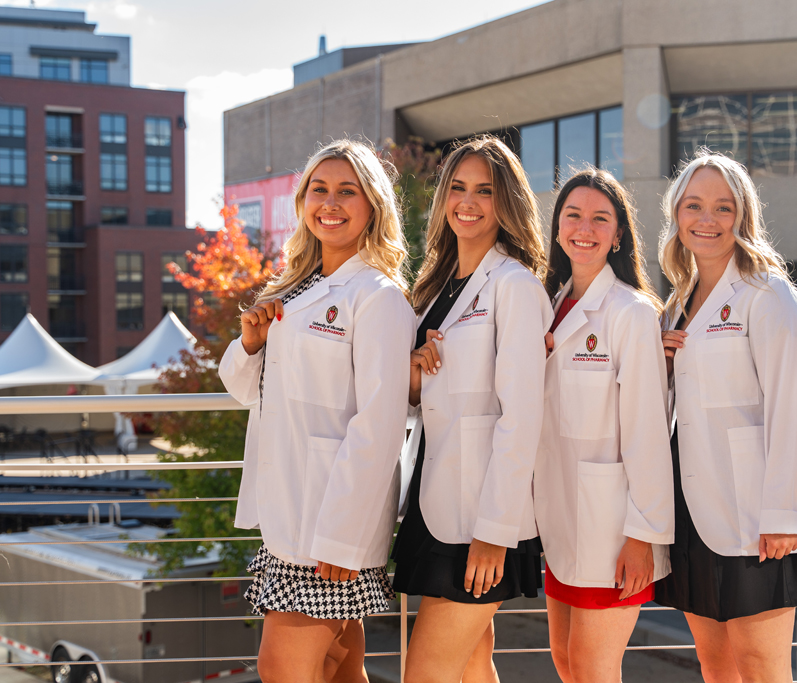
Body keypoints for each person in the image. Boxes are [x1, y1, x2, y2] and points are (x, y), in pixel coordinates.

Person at [219, 139, 415, 683]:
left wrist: (342, 536)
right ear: (303, 201)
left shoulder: (378, 297)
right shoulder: (295, 288)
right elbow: (244, 390)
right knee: (340, 670)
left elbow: (378, 425)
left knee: (282, 668)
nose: (330, 202)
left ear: (373, 204)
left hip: (330, 525)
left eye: (346, 191)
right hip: (289, 512)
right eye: (319, 190)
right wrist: (253, 343)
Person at [655, 149, 797, 683]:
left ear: (743, 215)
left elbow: (793, 408)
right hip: (691, 509)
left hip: (755, 515)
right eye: (694, 206)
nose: (707, 220)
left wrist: (782, 513)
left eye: (723, 208)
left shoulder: (768, 293)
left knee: (761, 668)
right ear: (676, 215)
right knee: (715, 663)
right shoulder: (678, 300)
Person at [392, 136, 552, 683]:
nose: (468, 201)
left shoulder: (516, 285)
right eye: (458, 188)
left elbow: (522, 414)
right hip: (436, 496)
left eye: (485, 190)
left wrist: (496, 529)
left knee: (428, 672)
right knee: (471, 667)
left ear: (505, 202)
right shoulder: (435, 285)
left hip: (480, 518)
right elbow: (424, 396)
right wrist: (412, 375)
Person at [534, 168, 674, 683]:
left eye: (600, 218)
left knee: (594, 670)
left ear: (618, 235)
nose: (584, 228)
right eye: (573, 215)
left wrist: (643, 536)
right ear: (557, 228)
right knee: (566, 661)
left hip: (613, 528)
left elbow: (647, 432)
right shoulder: (547, 305)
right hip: (561, 516)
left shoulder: (632, 312)